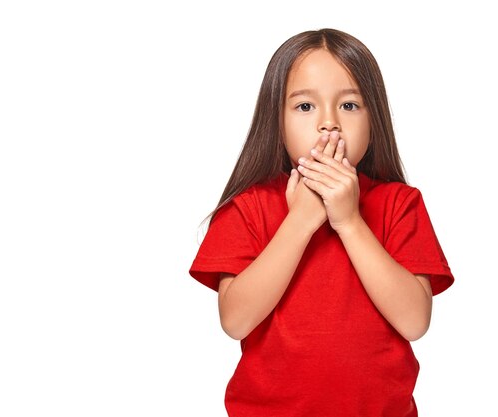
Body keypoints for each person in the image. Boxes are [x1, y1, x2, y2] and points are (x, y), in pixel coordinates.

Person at [189, 28, 454, 417]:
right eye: (305, 107)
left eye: (349, 106)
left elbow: (415, 321)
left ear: (374, 117)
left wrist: (349, 221)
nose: (328, 124)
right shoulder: (249, 207)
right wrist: (300, 221)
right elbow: (236, 321)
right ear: (275, 121)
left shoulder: (400, 203)